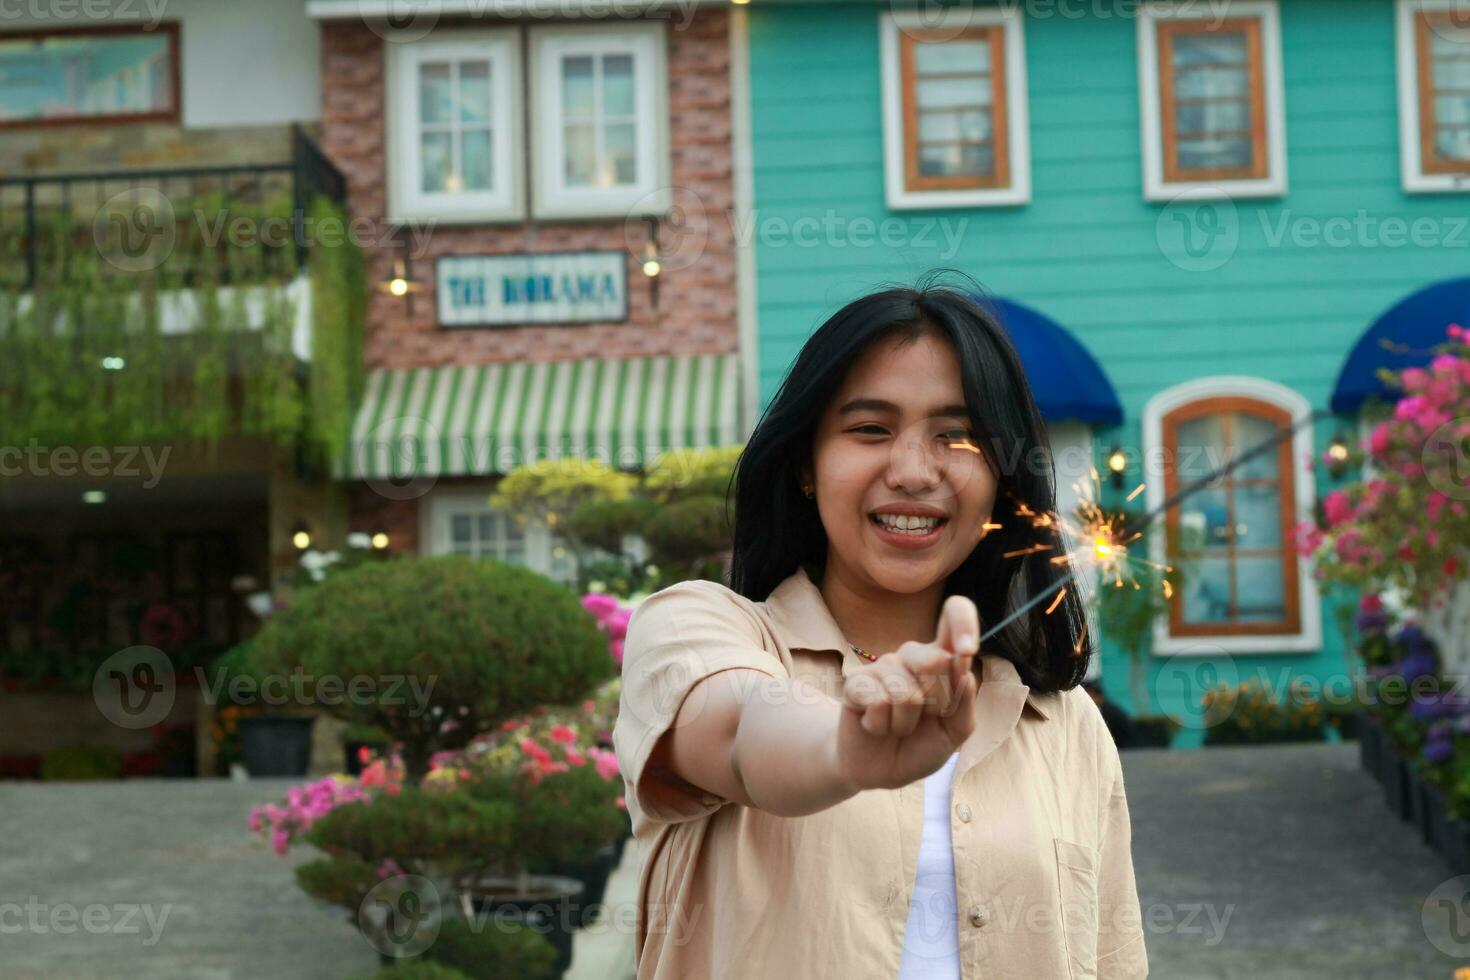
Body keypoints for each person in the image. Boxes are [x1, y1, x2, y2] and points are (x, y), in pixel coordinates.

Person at [613, 278, 1148, 980]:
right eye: (870, 429)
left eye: (956, 436)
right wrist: (844, 748)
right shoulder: (699, 629)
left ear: (998, 478)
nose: (913, 471)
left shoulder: (1066, 723)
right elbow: (742, 734)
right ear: (807, 463)